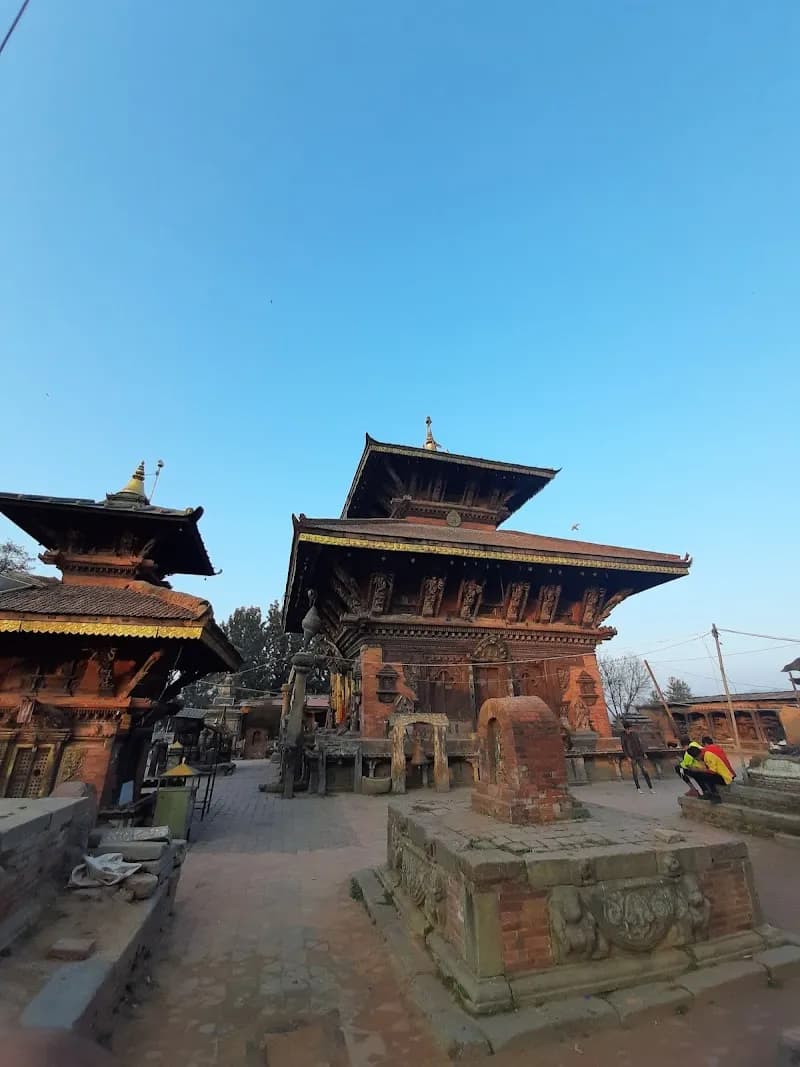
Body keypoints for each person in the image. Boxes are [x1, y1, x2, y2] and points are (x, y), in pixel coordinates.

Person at [620, 721, 653, 792]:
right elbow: (624, 747)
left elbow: (639, 743)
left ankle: (650, 787)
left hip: (639, 754)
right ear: (626, 729)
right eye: (628, 729)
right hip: (632, 756)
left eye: (630, 729)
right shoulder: (623, 736)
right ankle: (638, 788)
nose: (629, 730)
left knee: (644, 770)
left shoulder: (634, 734)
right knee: (635, 772)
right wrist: (627, 756)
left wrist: (643, 753)